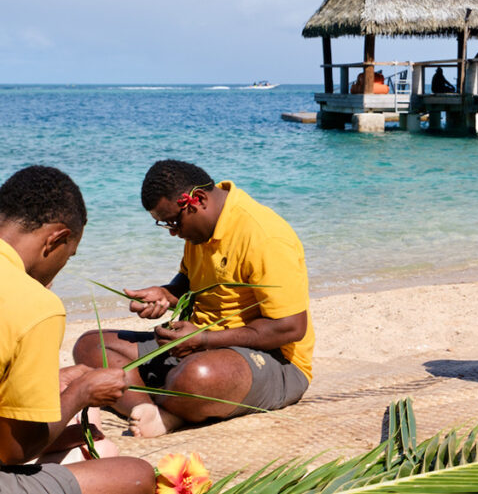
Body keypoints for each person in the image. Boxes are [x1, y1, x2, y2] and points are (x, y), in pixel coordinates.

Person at [73, 160, 314, 437]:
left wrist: (203, 340)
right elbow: (188, 284)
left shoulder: (264, 235)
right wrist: (164, 294)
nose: (174, 232)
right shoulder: (200, 229)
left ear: (197, 200)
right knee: (91, 346)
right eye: (165, 224)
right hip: (196, 347)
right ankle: (151, 409)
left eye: (174, 222)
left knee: (198, 377)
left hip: (273, 361)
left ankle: (170, 402)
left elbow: (290, 327)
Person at [0, 165, 154, 494]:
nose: (60, 268)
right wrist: (80, 394)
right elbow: (10, 451)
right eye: (68, 255)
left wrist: (57, 384)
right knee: (134, 473)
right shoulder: (34, 304)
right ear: (56, 238)